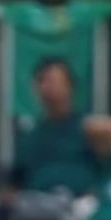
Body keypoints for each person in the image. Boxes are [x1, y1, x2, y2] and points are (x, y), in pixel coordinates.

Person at [10, 58, 100, 200]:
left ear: (70, 86)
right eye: (41, 81)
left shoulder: (90, 129)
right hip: (35, 208)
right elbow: (15, 182)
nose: (47, 87)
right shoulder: (29, 136)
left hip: (82, 207)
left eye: (53, 81)